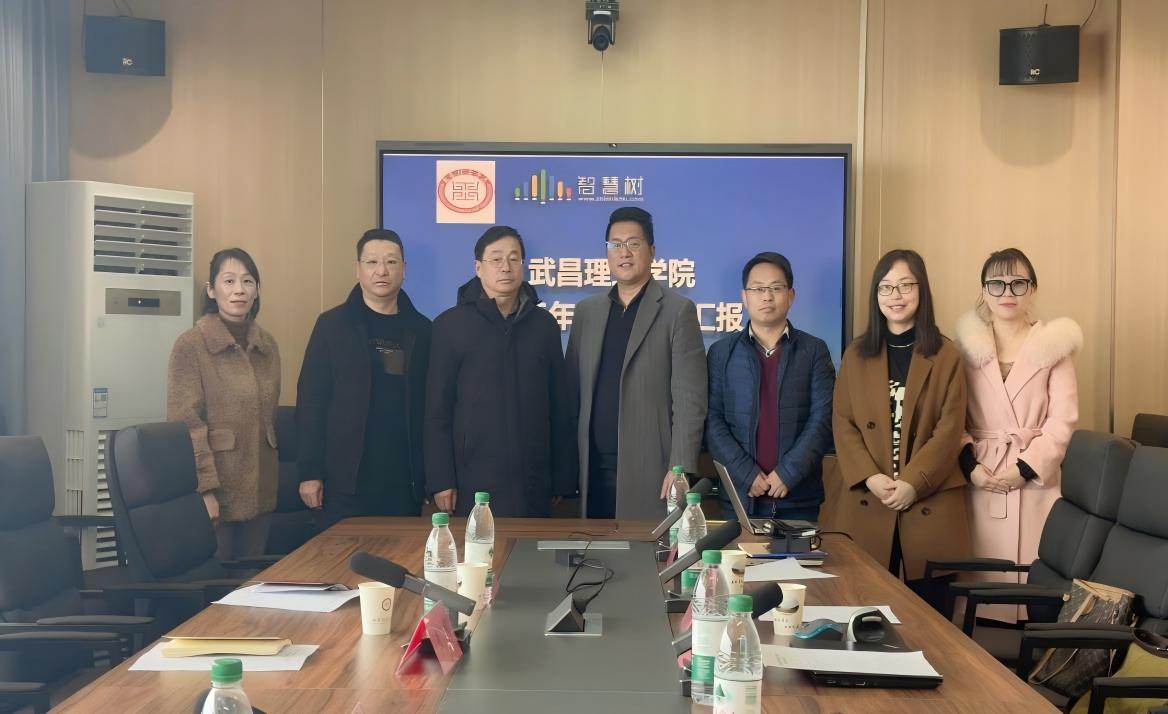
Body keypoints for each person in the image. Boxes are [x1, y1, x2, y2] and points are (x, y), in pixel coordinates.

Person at [832, 249, 971, 594]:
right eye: (886, 287)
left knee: (930, 614)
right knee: (862, 606)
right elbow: (843, 421)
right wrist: (870, 476)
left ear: (922, 289)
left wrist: (913, 481)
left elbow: (949, 429)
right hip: (869, 498)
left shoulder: (946, 355)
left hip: (929, 499)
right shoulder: (856, 354)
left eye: (905, 285)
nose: (895, 296)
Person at [955, 248, 1080, 621]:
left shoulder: (1055, 348)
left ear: (1032, 289)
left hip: (1036, 482)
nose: (1007, 292)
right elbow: (951, 418)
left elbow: (1063, 421)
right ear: (984, 290)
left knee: (1032, 595)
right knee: (978, 592)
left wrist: (1025, 468)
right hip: (981, 477)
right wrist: (970, 466)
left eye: (1017, 283)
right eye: (996, 283)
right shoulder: (965, 350)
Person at [424, 226, 577, 517]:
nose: (505, 267)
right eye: (496, 259)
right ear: (478, 267)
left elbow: (559, 406)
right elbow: (436, 411)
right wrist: (441, 480)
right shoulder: (449, 326)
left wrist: (563, 478)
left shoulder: (544, 325)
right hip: (472, 478)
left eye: (514, 258)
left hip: (534, 478)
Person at [566, 206, 707, 520]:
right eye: (615, 244)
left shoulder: (677, 311)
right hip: (590, 470)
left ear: (652, 250)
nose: (624, 252)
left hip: (651, 470)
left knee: (646, 548)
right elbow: (571, 395)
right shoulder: (587, 312)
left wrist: (680, 466)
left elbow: (690, 399)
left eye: (633, 243)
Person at [296, 229, 431, 530]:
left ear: (404, 269)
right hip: (344, 479)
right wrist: (310, 472)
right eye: (372, 262)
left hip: (403, 480)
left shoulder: (423, 331)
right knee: (344, 556)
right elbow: (311, 402)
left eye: (391, 262)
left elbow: (431, 409)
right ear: (358, 269)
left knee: (399, 557)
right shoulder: (332, 326)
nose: (382, 271)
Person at [705, 252, 835, 523]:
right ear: (744, 297)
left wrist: (788, 473)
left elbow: (823, 418)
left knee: (798, 555)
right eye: (758, 289)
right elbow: (712, 420)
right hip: (740, 497)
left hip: (798, 497)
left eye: (776, 288)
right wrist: (745, 474)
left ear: (791, 295)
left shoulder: (814, 350)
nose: (767, 296)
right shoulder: (721, 353)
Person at [168, 248, 281, 559]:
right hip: (217, 490)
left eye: (248, 281)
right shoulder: (191, 345)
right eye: (229, 281)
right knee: (219, 581)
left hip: (262, 490)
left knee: (255, 579)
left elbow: (269, 417)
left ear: (256, 291)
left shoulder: (267, 345)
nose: (239, 290)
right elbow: (186, 424)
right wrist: (205, 490)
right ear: (211, 290)